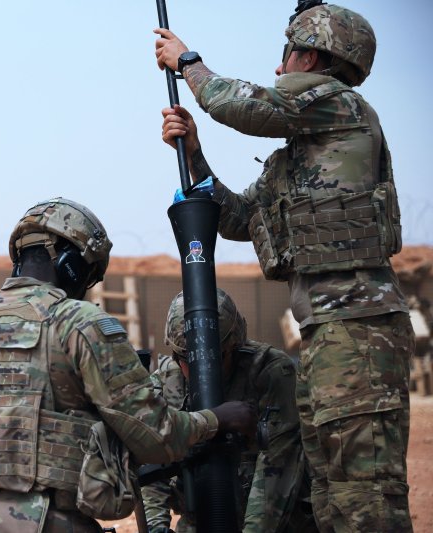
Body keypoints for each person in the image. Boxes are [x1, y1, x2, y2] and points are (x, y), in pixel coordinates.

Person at [153, 3, 414, 531]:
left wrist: (188, 63)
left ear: (311, 56)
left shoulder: (338, 102)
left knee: (363, 493)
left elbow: (242, 105)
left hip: (357, 328)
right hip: (326, 331)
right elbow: (238, 218)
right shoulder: (296, 158)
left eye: (286, 54)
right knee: (329, 491)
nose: (278, 68)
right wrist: (196, 154)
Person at [0, 197, 256, 533]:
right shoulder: (79, 324)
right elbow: (156, 437)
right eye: (89, 275)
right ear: (72, 265)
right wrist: (218, 419)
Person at [141, 289, 315, 533]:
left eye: (212, 358)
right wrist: (156, 527)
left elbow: (277, 467)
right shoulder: (167, 383)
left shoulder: (269, 373)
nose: (196, 369)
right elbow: (154, 467)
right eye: (184, 358)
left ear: (235, 345)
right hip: (201, 519)